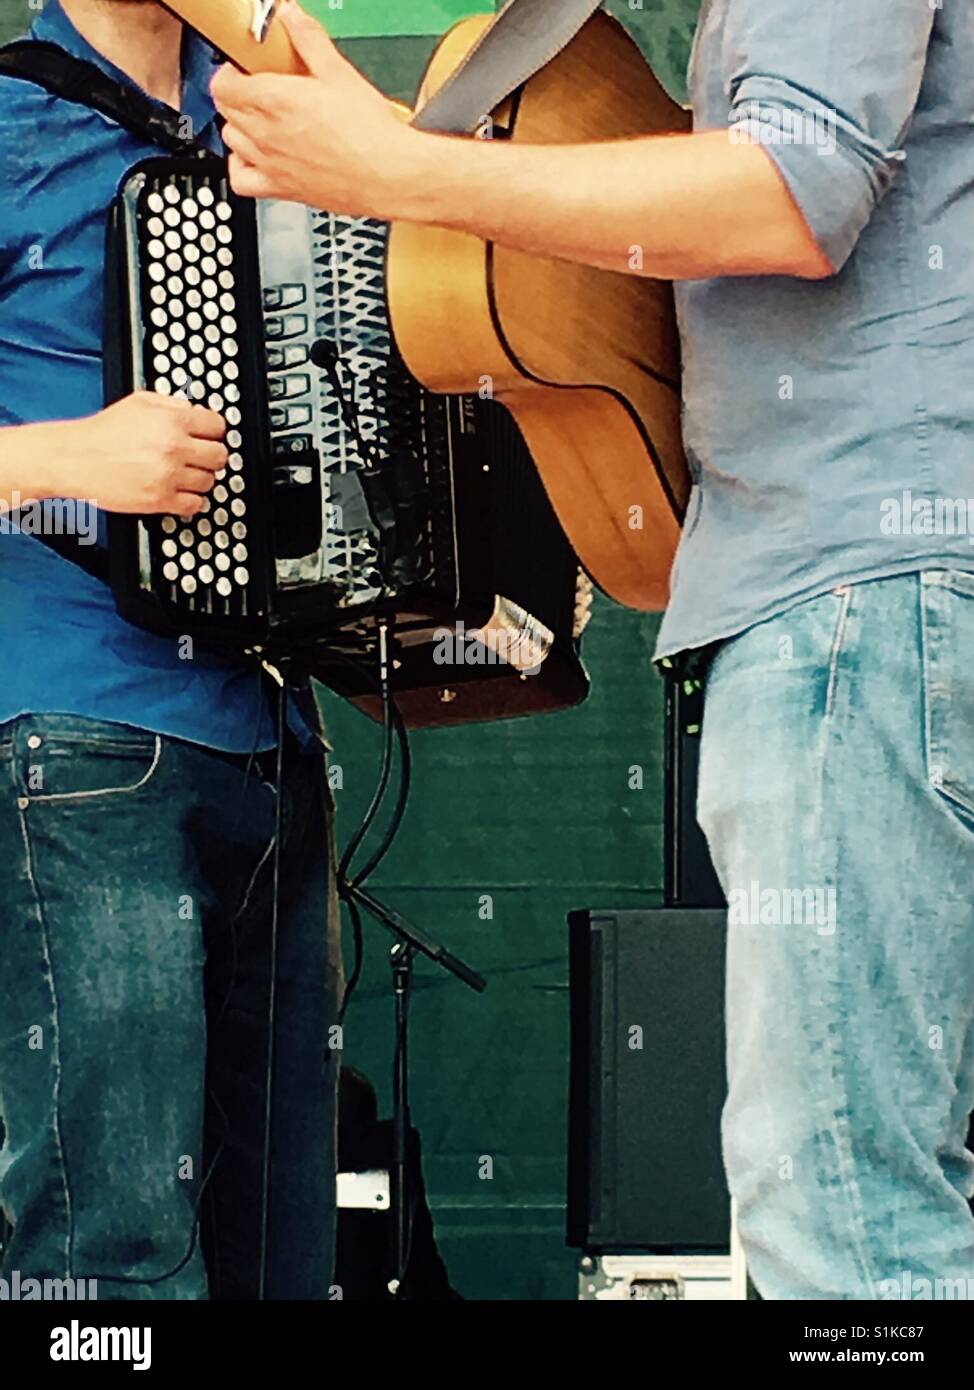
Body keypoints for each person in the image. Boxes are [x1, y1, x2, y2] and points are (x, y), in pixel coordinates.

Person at [212, 1, 974, 1298]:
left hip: (858, 583)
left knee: (844, 1204)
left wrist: (404, 171)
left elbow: (790, 187)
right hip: (863, 586)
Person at [0, 0, 342, 1300]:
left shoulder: (281, 116)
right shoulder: (9, 110)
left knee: (279, 1263)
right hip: (79, 730)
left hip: (269, 740)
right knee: (114, 1260)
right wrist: (57, 459)